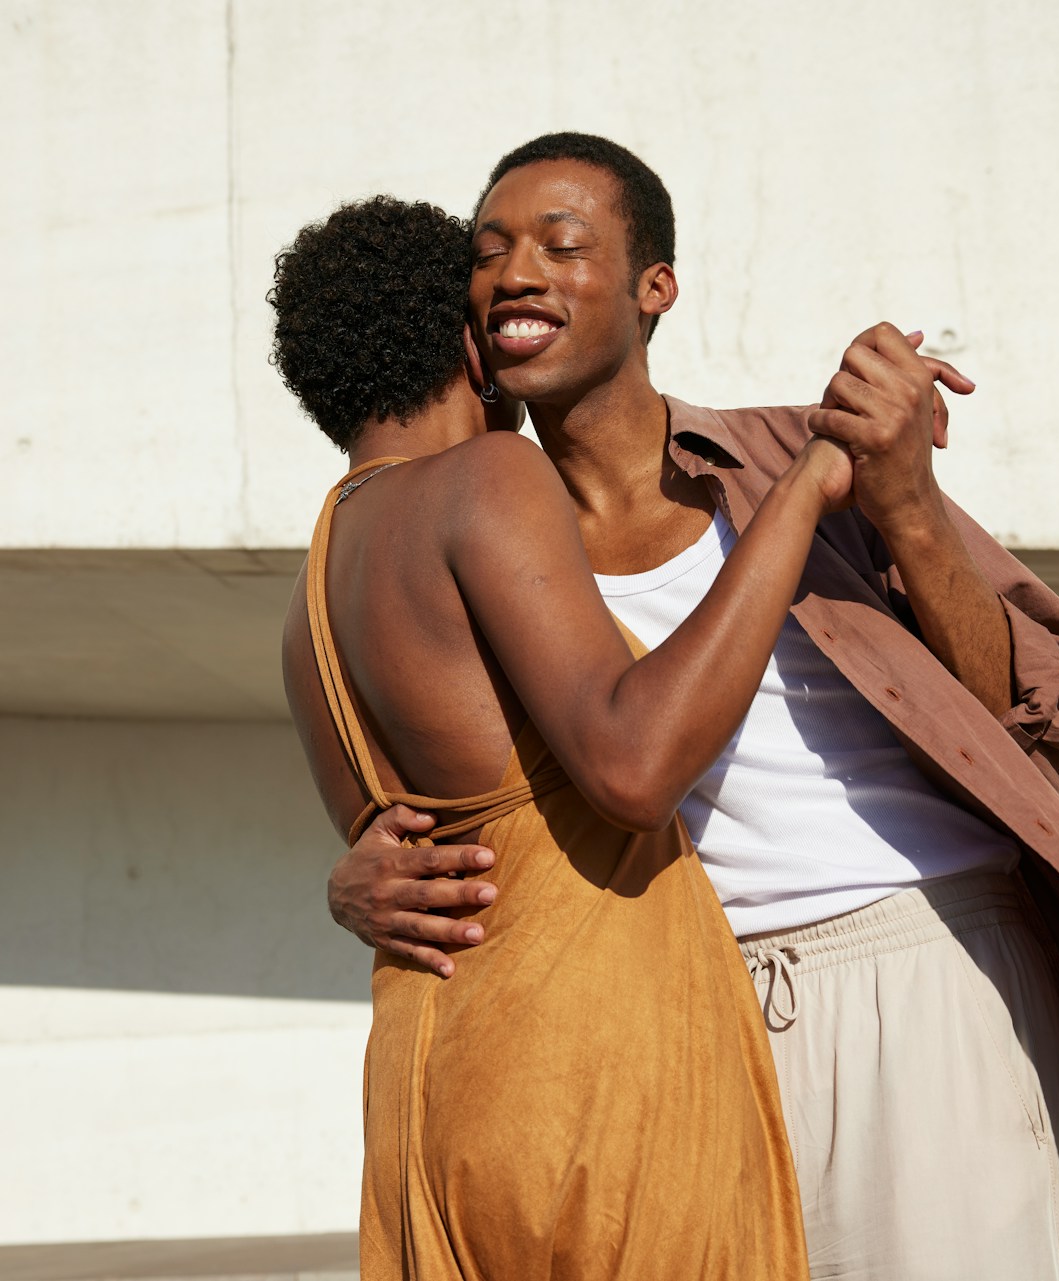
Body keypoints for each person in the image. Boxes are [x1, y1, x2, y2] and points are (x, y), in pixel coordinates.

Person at [322, 134, 1059, 1280]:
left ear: (654, 287)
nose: (517, 271)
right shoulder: (481, 534)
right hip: (680, 1027)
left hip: (917, 967)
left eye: (561, 245)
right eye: (490, 251)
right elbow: (465, 775)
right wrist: (359, 863)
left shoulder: (787, 455)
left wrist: (905, 503)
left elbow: (1050, 726)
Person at [269, 195, 830, 1279]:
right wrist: (800, 490)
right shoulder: (484, 479)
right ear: (468, 342)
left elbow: (396, 855)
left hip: (428, 1094)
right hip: (576, 1074)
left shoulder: (311, 591)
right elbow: (632, 765)